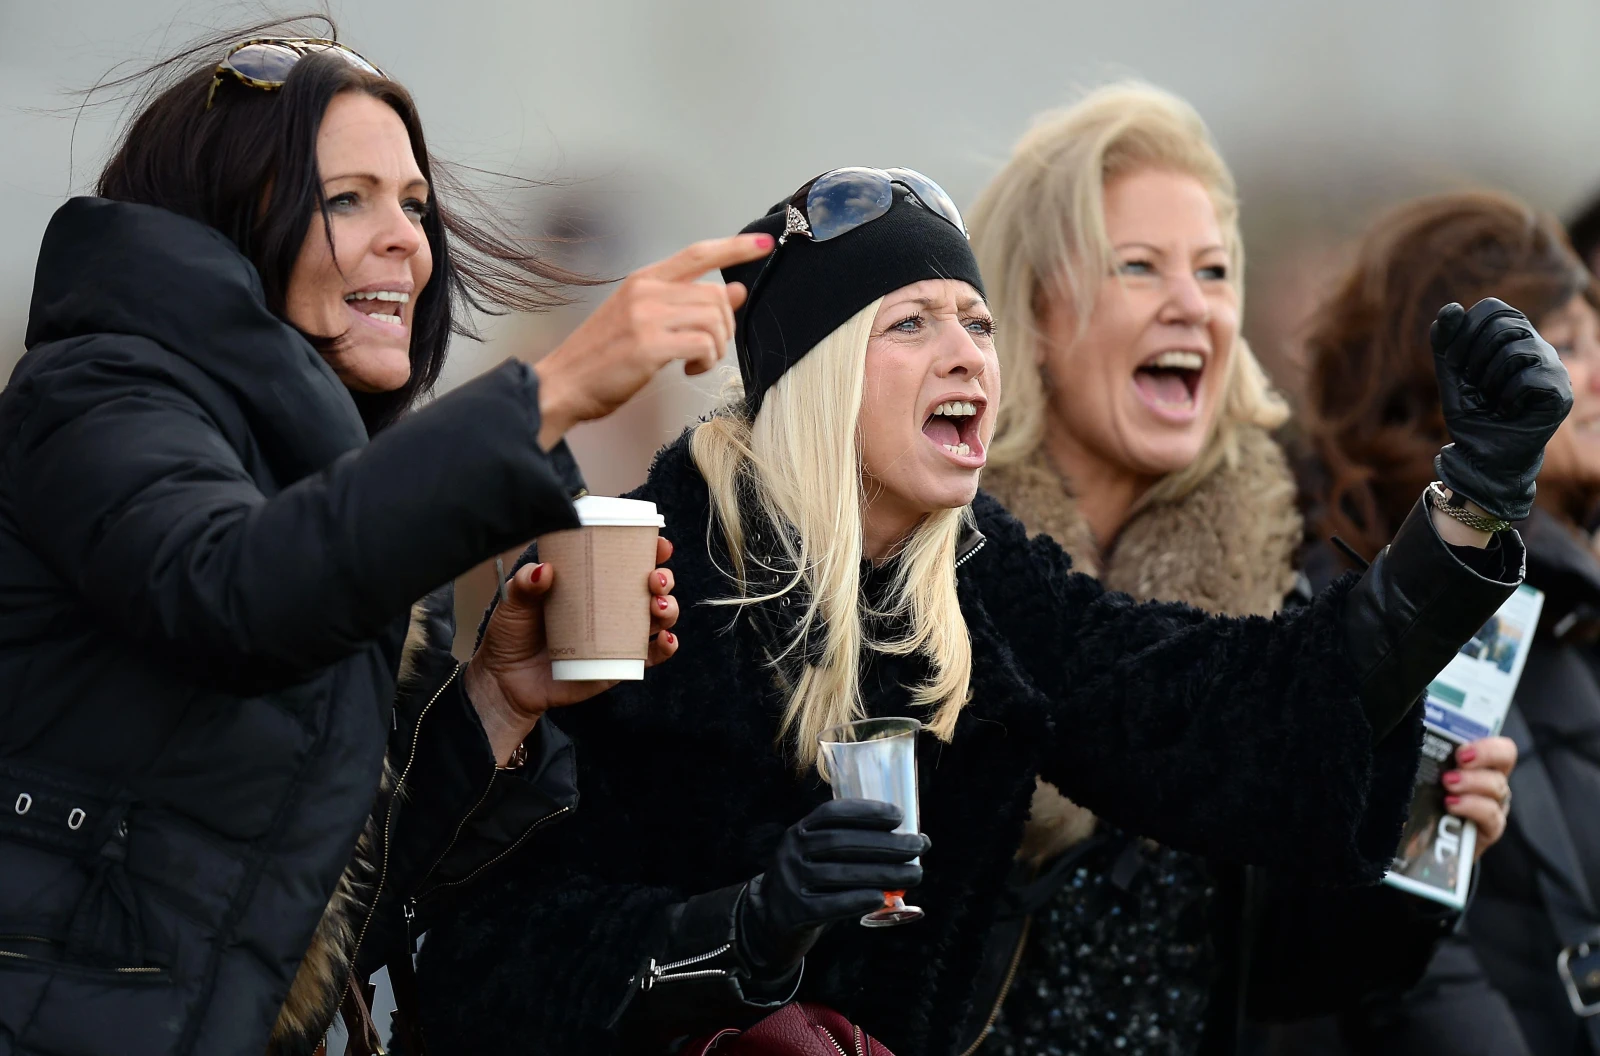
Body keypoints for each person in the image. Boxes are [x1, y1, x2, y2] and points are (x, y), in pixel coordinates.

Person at [411, 163, 1560, 1055]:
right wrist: (747, 925)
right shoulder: (642, 567)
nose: (965, 353)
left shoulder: (973, 570)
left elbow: (1215, 702)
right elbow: (484, 958)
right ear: (814, 375)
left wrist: (1469, 507)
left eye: (976, 322)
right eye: (911, 322)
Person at [0, 23, 774, 1056]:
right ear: (230, 218)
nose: (408, 239)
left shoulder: (330, 477)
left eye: (414, 203)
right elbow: (230, 591)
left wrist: (500, 697)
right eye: (348, 199)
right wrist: (552, 392)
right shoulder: (98, 391)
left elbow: (306, 909)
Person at [960, 84, 1520, 1056]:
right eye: (1139, 266)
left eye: (1215, 270)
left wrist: (1419, 844)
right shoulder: (932, 556)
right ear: (1033, 309)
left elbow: (1294, 971)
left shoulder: (1290, 572)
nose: (1192, 304)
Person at [1272, 190, 1600, 1056]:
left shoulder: (1566, 595)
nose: (1597, 372)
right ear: (1450, 383)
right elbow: (1422, 969)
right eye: (1565, 347)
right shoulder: (1380, 602)